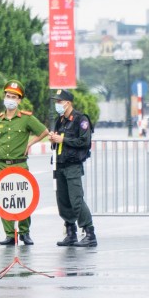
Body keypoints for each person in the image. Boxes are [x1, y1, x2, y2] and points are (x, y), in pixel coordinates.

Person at [0, 80, 47, 245]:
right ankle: (10, 234)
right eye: (8, 96)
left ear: (19, 100)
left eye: (14, 97)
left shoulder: (26, 119)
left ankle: (24, 232)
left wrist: (30, 143)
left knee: (23, 197)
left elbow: (44, 131)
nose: (10, 99)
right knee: (4, 198)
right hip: (1, 164)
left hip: (20, 164)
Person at [48, 89, 96, 247]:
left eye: (59, 101)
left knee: (76, 200)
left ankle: (89, 233)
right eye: (56, 102)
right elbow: (58, 141)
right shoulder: (59, 120)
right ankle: (70, 233)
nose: (57, 104)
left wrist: (63, 139)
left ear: (68, 102)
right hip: (59, 164)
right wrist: (54, 140)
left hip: (72, 165)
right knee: (63, 200)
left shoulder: (80, 119)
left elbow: (84, 141)